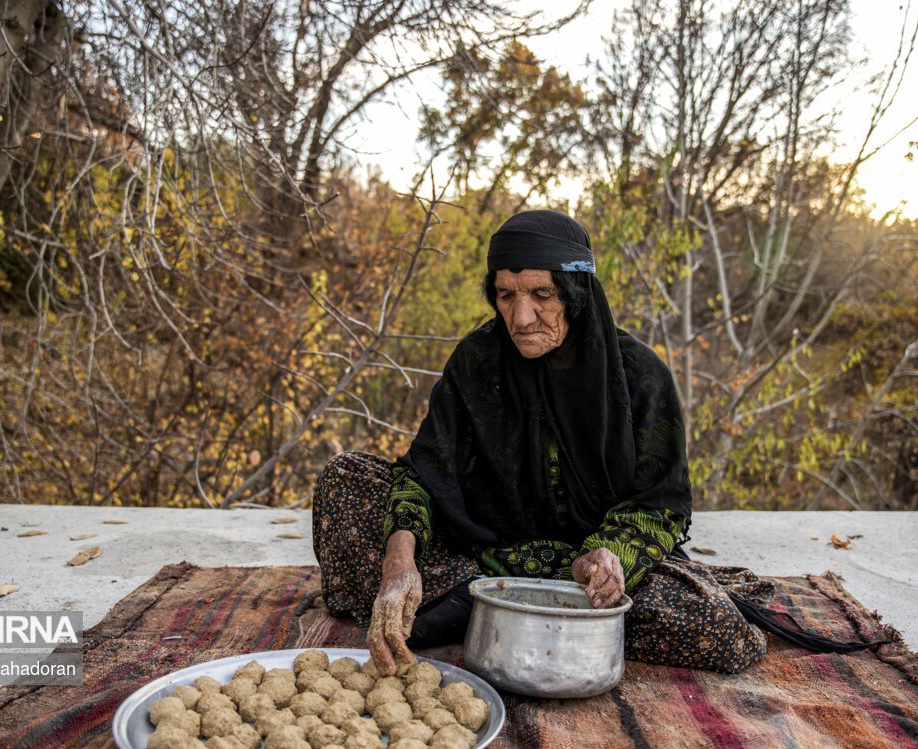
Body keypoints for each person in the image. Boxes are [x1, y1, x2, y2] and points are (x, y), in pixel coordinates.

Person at [312, 209, 878, 677]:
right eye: (505, 295)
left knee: (717, 632)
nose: (521, 315)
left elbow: (660, 507)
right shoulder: (476, 360)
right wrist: (400, 562)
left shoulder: (638, 377)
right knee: (346, 481)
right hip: (476, 551)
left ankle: (473, 608)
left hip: (583, 568)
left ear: (576, 291)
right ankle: (482, 601)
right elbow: (424, 471)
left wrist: (609, 557)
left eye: (541, 293)